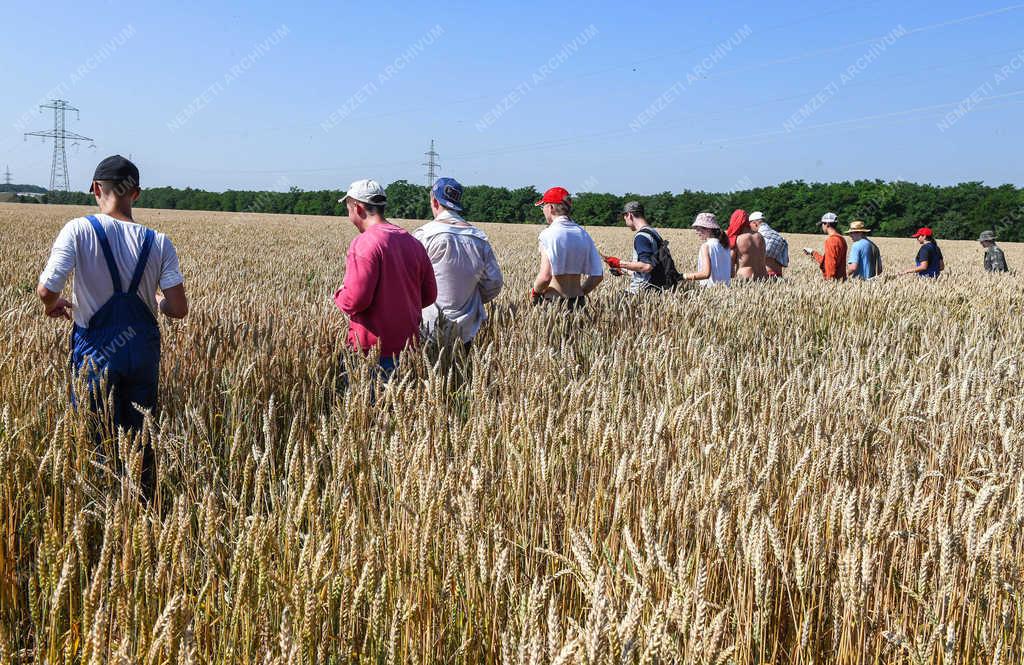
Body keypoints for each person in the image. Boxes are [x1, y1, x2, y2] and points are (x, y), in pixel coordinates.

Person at [37, 155, 188, 502]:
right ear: (136, 193)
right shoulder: (159, 242)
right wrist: (156, 300)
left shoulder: (79, 229)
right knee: (140, 441)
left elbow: (48, 289)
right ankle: (141, 509)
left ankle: (98, 509)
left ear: (95, 189)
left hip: (95, 353)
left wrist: (51, 306)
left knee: (93, 439)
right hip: (142, 353)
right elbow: (178, 309)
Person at [334, 179, 437, 379]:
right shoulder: (413, 243)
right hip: (408, 348)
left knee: (367, 408)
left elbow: (357, 299)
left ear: (358, 207)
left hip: (370, 351)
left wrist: (339, 295)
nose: (349, 215)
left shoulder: (364, 244)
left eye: (348, 209)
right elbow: (430, 294)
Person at [414, 177, 503, 348]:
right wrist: (472, 298)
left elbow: (407, 280)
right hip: (466, 329)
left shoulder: (423, 236)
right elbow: (494, 283)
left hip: (428, 326)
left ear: (434, 201)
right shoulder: (479, 238)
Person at [531, 187, 604, 308]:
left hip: (554, 303)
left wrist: (535, 293)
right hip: (579, 302)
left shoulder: (548, 234)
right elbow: (598, 275)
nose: (543, 210)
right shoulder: (583, 234)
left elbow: (545, 277)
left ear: (551, 208)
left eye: (543, 206)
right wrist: (581, 293)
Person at [603, 201, 679, 292]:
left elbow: (646, 266)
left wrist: (618, 263)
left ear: (629, 215)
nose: (625, 221)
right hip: (655, 287)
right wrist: (622, 270)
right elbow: (651, 266)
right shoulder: (653, 232)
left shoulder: (641, 236)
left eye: (624, 217)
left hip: (641, 289)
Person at [681, 212, 732, 287]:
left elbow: (706, 274)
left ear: (708, 229)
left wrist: (683, 276)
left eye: (698, 229)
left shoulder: (706, 246)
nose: (696, 232)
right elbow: (731, 273)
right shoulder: (725, 245)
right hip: (726, 291)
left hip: (710, 289)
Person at [727, 209, 768, 280]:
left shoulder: (738, 239)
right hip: (763, 276)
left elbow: (730, 264)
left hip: (746, 277)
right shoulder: (760, 236)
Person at [805, 212, 847, 280]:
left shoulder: (831, 241)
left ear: (827, 224)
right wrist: (813, 253)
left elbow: (831, 264)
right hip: (842, 280)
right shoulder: (842, 239)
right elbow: (827, 261)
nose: (822, 226)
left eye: (822, 224)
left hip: (834, 282)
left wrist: (830, 281)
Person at [749, 211, 789, 278]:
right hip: (779, 275)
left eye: (750, 224)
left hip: (765, 275)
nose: (750, 228)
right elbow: (785, 261)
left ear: (755, 223)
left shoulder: (758, 237)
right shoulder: (779, 237)